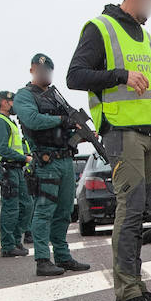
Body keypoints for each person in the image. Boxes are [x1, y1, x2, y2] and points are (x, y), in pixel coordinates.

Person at [66, 0, 151, 301]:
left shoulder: (144, 37)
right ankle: (127, 293)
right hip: (122, 133)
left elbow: (141, 84)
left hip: (150, 132)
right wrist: (118, 74)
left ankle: (137, 286)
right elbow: (75, 76)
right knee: (130, 210)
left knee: (139, 212)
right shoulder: (100, 27)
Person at [13, 54, 91, 277]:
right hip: (46, 162)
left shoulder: (55, 97)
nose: (44, 73)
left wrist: (79, 133)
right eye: (40, 69)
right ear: (32, 70)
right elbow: (32, 120)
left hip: (65, 159)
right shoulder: (24, 96)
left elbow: (65, 127)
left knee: (65, 211)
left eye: (47, 70)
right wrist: (62, 121)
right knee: (44, 211)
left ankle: (63, 256)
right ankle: (42, 259)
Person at [0, 89, 32, 257]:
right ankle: (8, 246)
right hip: (7, 170)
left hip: (16, 169)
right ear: (5, 102)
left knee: (26, 205)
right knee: (11, 208)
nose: (15, 105)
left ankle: (16, 241)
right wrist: (25, 158)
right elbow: (3, 150)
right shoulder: (0, 121)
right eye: (12, 102)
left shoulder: (9, 121)